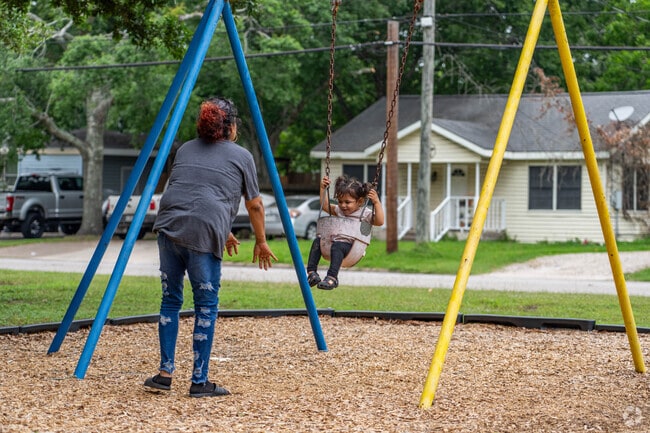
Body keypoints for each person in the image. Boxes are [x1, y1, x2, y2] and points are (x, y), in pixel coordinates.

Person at [144, 97, 277, 398]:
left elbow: (193, 189)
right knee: (206, 305)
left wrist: (222, 228)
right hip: (202, 234)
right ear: (230, 127)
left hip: (168, 227)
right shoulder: (242, 156)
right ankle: (199, 381)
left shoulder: (185, 149)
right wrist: (261, 240)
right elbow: (254, 204)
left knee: (170, 300)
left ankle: (165, 374)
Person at [306, 174, 384, 290]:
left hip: (351, 249)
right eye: (340, 201)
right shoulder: (339, 211)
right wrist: (323, 189)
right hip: (333, 245)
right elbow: (326, 206)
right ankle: (312, 273)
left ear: (360, 201)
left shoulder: (365, 213)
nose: (343, 205)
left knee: (338, 246)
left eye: (347, 202)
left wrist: (376, 203)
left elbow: (379, 221)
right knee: (318, 241)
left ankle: (332, 278)